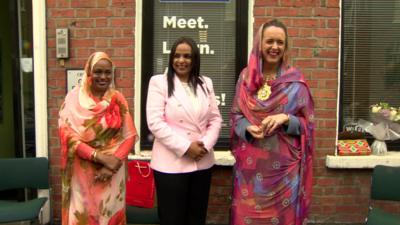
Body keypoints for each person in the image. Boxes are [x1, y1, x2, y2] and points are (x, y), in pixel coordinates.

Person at [230, 19, 315, 225]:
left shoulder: (295, 81)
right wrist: (248, 128)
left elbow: (309, 123)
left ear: (286, 47)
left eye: (280, 42)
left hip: (284, 173)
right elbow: (235, 115)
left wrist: (285, 118)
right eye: (270, 41)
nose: (274, 47)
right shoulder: (246, 78)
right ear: (260, 44)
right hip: (250, 171)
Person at [146, 36, 222, 225]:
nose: (181, 60)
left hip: (201, 162)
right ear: (171, 58)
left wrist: (204, 146)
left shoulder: (206, 83)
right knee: (173, 219)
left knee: (196, 218)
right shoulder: (159, 82)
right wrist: (187, 147)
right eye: (177, 56)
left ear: (195, 59)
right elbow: (155, 122)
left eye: (187, 56)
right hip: (171, 164)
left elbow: (215, 119)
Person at [58, 51, 138, 225]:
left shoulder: (117, 99)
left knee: (109, 214)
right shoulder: (73, 99)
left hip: (112, 174)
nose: (103, 77)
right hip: (82, 173)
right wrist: (98, 156)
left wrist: (113, 164)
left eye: (108, 72)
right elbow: (67, 135)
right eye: (98, 72)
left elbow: (130, 135)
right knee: (82, 216)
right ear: (89, 72)